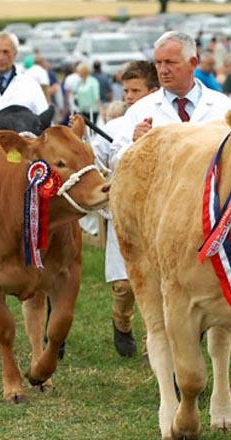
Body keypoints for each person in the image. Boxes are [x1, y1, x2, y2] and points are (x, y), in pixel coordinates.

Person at [92, 61, 160, 357]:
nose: (130, 96)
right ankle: (121, 321)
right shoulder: (116, 126)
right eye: (126, 91)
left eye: (136, 90)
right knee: (124, 284)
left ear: (153, 91)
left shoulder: (167, 120)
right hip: (127, 211)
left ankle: (153, 344)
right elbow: (101, 160)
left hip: (158, 212)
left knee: (157, 283)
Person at [109, 31, 231, 165]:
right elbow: (114, 163)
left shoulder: (224, 108)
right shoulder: (140, 111)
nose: (163, 70)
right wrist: (135, 146)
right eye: (158, 63)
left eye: (170, 62)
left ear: (192, 63)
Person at [0, 31, 48, 118]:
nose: (1, 57)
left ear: (15, 53)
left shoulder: (31, 86)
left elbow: (43, 121)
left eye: (6, 52)